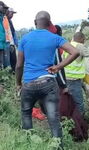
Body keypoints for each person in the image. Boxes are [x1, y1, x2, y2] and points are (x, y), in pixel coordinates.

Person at [16, 11, 79, 147]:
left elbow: (19, 65)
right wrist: (58, 66)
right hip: (48, 83)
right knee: (53, 118)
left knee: (26, 113)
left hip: (29, 84)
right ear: (49, 23)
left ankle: (28, 145)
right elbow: (75, 52)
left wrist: (18, 83)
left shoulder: (25, 39)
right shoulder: (54, 38)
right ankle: (58, 146)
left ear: (35, 22)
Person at [7, 7, 18, 72]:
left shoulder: (10, 21)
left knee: (14, 59)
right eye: (11, 13)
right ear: (8, 12)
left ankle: (14, 72)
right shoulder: (4, 20)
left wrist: (16, 43)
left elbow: (13, 32)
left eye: (13, 14)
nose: (12, 15)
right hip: (7, 43)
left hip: (12, 43)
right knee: (9, 60)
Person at [0, 1, 8, 68]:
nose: (4, 9)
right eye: (3, 7)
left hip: (2, 44)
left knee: (2, 63)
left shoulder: (2, 18)